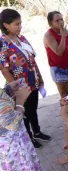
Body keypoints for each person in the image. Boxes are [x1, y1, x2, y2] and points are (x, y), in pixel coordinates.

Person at [0, 80, 58, 171]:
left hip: (3, 149)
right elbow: (12, 122)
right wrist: (20, 101)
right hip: (11, 147)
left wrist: (6, 90)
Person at [0, 9, 51, 149]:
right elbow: (4, 69)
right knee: (24, 113)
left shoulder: (22, 39)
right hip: (20, 86)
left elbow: (32, 60)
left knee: (33, 109)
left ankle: (37, 132)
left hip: (32, 82)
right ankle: (28, 137)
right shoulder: (3, 43)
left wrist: (39, 77)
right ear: (6, 25)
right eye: (16, 24)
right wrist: (15, 88)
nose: (20, 26)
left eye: (20, 23)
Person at [44, 11, 68, 99]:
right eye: (57, 20)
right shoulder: (48, 35)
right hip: (59, 69)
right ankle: (66, 112)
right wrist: (63, 36)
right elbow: (59, 52)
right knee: (65, 97)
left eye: (61, 19)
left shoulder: (66, 31)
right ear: (50, 23)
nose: (61, 22)